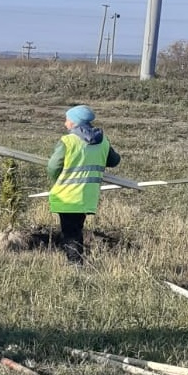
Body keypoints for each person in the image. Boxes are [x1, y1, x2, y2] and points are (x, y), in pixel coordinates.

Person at [47, 104, 121, 266]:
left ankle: (75, 264)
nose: (65, 124)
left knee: (70, 232)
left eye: (67, 120)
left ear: (75, 123)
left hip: (67, 195)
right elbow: (114, 161)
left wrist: (56, 180)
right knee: (76, 228)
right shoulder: (103, 141)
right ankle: (74, 259)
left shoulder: (68, 141)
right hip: (87, 196)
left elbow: (53, 167)